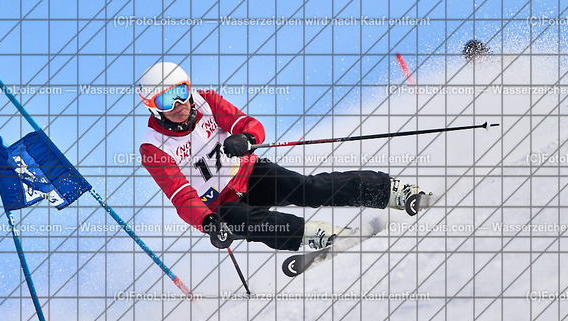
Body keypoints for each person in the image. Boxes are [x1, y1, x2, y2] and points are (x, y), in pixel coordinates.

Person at [137, 62, 429, 251]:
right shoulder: (154, 149)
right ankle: (318, 235)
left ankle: (391, 191)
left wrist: (246, 138)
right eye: (166, 99)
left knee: (308, 189)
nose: (179, 103)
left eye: (181, 91)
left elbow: (249, 124)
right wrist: (208, 223)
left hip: (249, 174)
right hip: (220, 204)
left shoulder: (207, 102)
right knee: (247, 220)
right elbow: (182, 197)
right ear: (153, 107)